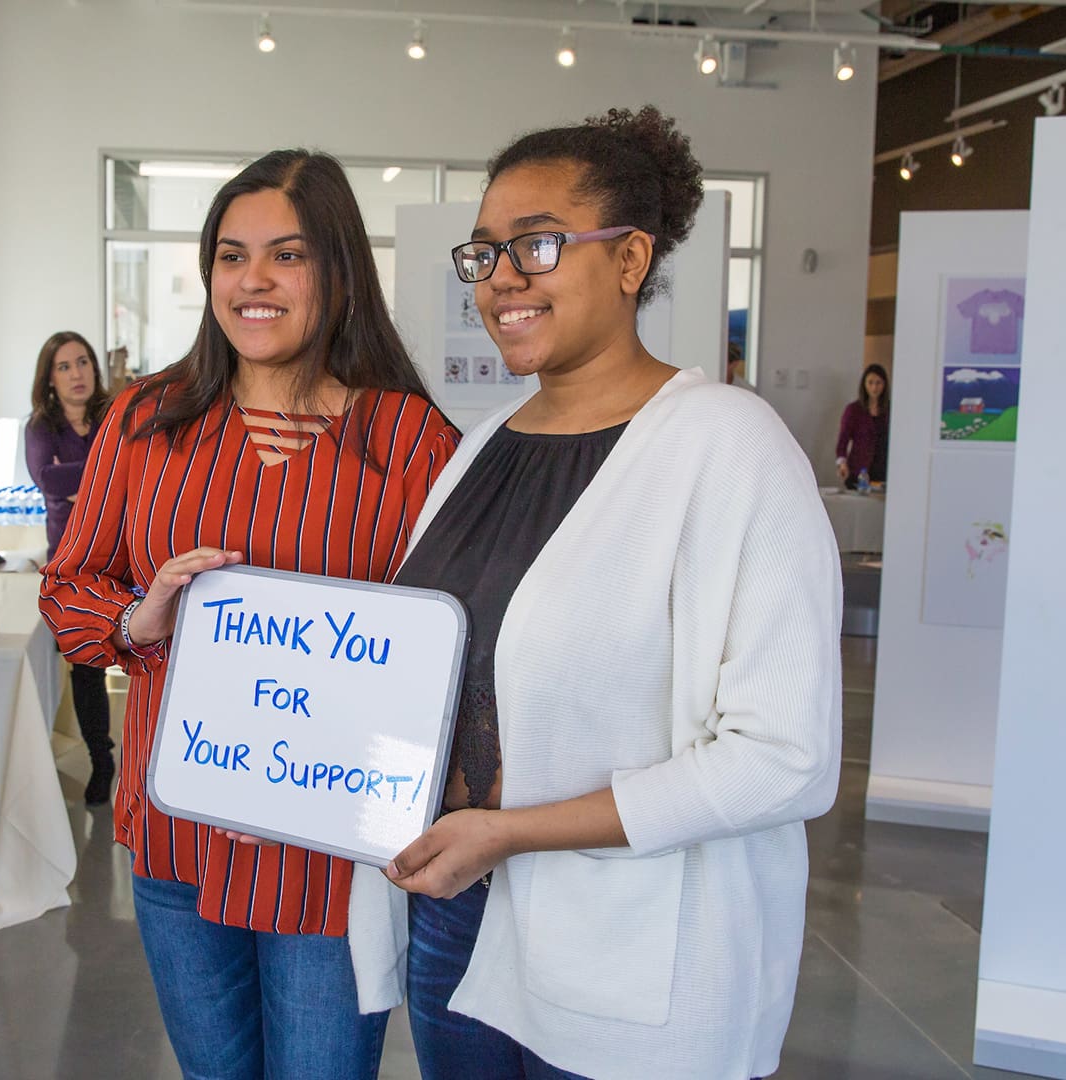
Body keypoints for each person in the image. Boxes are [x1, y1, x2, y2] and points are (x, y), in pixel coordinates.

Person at [344, 106, 842, 1080]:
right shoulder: (484, 447)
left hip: (634, 944)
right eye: (485, 255)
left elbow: (785, 761)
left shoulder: (726, 448)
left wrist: (513, 832)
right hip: (457, 915)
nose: (503, 281)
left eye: (537, 244)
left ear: (629, 261)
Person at [37, 149, 460, 1080]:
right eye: (231, 255)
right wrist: (136, 622)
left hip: (328, 858)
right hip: (176, 837)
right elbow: (69, 587)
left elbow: (450, 654)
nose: (253, 280)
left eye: (287, 255)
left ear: (339, 272)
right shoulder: (148, 419)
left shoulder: (410, 443)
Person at [24, 330, 117, 805]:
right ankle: (103, 761)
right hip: (73, 559)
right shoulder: (41, 427)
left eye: (82, 362)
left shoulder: (113, 414)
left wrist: (85, 485)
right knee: (86, 664)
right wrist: (105, 474)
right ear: (50, 378)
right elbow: (47, 478)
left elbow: (134, 469)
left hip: (122, 552)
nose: (77, 373)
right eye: (64, 366)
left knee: (140, 657)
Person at [835, 363, 890, 489]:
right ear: (864, 384)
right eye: (870, 383)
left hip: (883, 471)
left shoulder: (890, 410)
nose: (874, 387)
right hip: (858, 472)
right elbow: (843, 441)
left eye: (878, 383)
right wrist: (842, 463)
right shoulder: (853, 410)